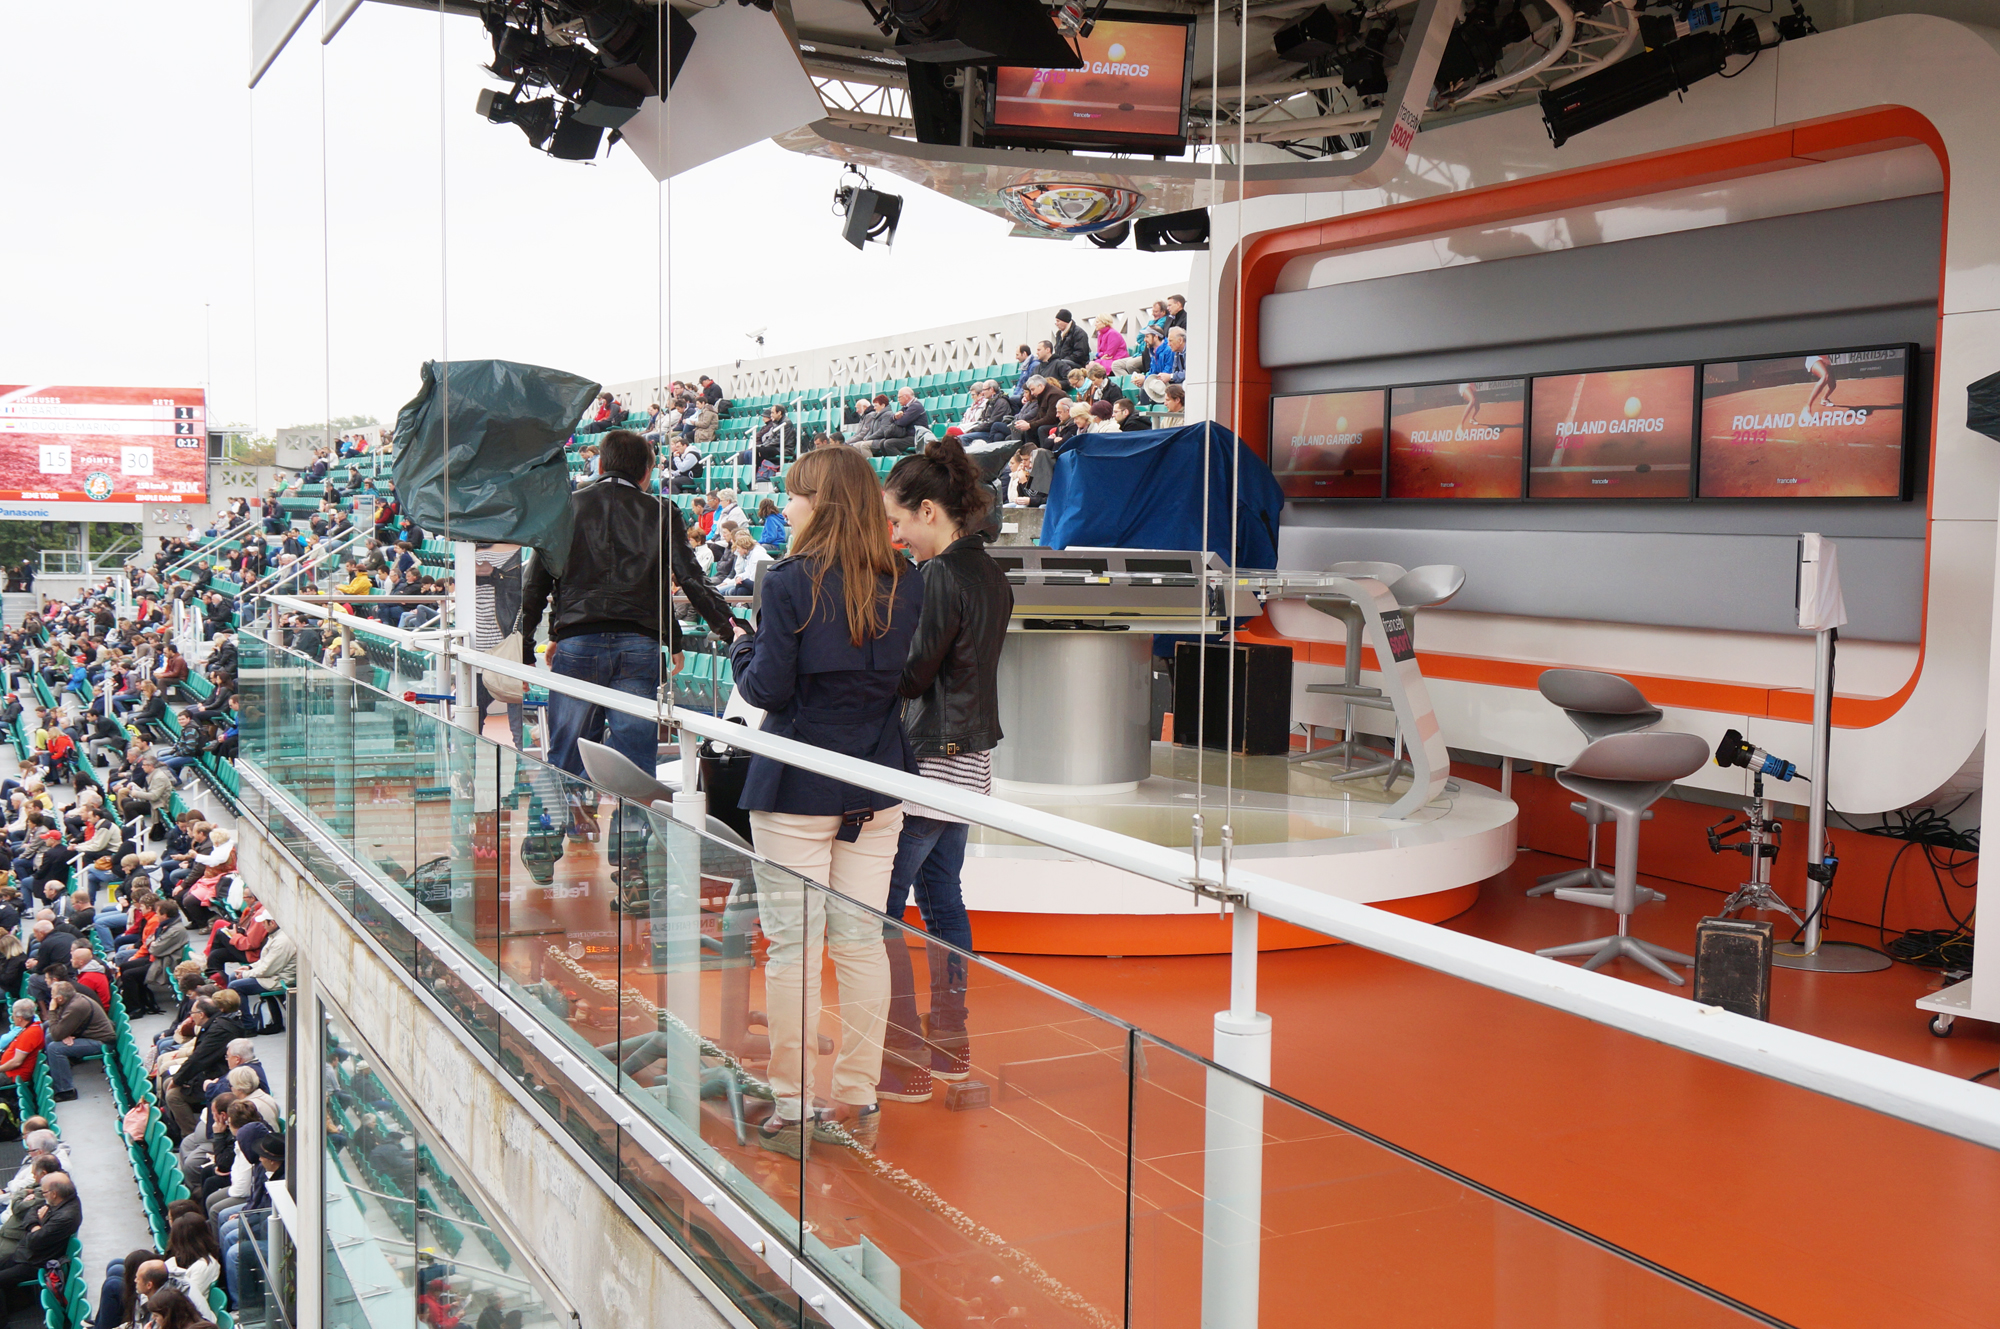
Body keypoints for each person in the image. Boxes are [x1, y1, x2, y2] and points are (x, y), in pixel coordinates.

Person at [726, 446, 924, 1156]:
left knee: (795, 948)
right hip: (877, 780)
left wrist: (741, 649)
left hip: (797, 784)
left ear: (822, 503)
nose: (786, 507)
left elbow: (766, 688)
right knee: (862, 942)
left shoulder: (788, 581)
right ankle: (858, 1094)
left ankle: (793, 1103)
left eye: (795, 495)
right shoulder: (905, 580)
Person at [519, 430, 742, 845]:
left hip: (577, 642)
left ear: (601, 464)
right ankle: (632, 860)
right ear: (646, 472)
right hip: (639, 646)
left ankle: (542, 842)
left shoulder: (565, 507)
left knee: (565, 749)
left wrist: (527, 643)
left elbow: (538, 584)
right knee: (636, 759)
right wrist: (731, 629)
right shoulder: (661, 511)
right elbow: (688, 579)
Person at [877, 438, 1011, 1102]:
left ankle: (902, 1055)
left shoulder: (936, 578)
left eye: (899, 521)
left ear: (929, 511)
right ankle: (951, 1043)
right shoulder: (990, 573)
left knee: (881, 909)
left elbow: (911, 675)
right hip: (970, 766)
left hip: (926, 765)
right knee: (943, 901)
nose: (896, 536)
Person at [0, 1172, 79, 1288]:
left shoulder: (65, 1216)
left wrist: (36, 1224)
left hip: (34, 1264)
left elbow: (34, 1241)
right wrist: (37, 1225)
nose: (43, 1195)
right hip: (26, 1256)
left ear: (54, 1194)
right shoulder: (61, 1201)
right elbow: (32, 1211)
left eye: (44, 1192)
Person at [43, 979, 114, 1101]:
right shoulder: (73, 999)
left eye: (53, 996)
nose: (51, 998)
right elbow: (59, 1028)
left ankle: (66, 1090)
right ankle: (56, 1072)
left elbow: (56, 1034)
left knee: (55, 1048)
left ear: (60, 999)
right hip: (89, 1035)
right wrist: (64, 1034)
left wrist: (52, 1010)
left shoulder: (76, 1006)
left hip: (102, 1042)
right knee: (48, 1033)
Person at [1051, 309, 1091, 375]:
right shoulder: (1059, 334)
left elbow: (1080, 353)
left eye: (1058, 321)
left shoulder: (1079, 333)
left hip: (1077, 364)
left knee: (1057, 364)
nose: (1056, 324)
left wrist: (1061, 361)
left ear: (1065, 321)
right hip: (1062, 362)